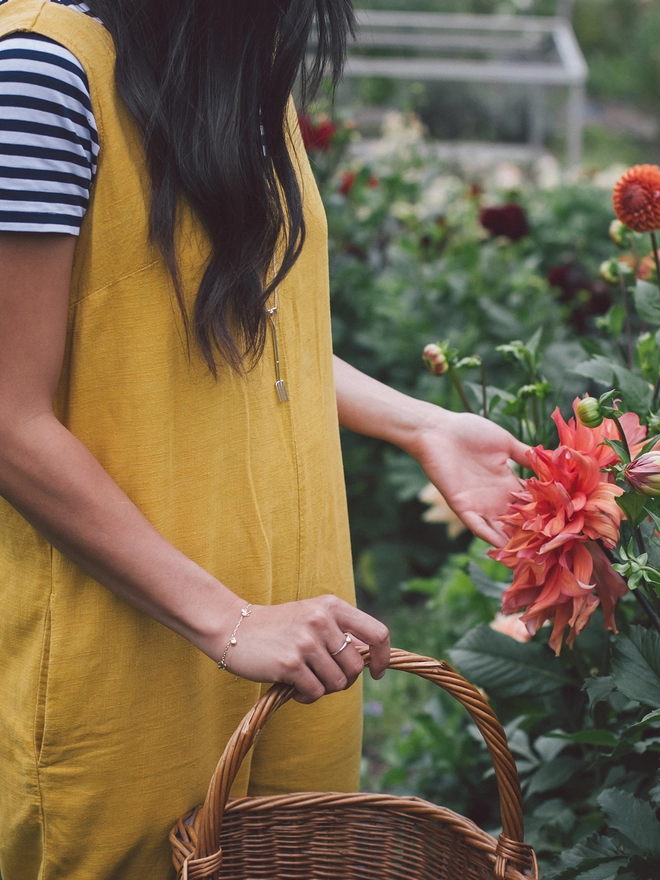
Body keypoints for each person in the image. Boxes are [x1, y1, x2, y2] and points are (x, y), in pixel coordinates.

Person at [0, 1, 529, 877]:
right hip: (137, 668)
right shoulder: (43, 80)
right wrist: (229, 617)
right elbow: (11, 418)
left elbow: (258, 332)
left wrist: (423, 423)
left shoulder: (235, 75)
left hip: (295, 653)